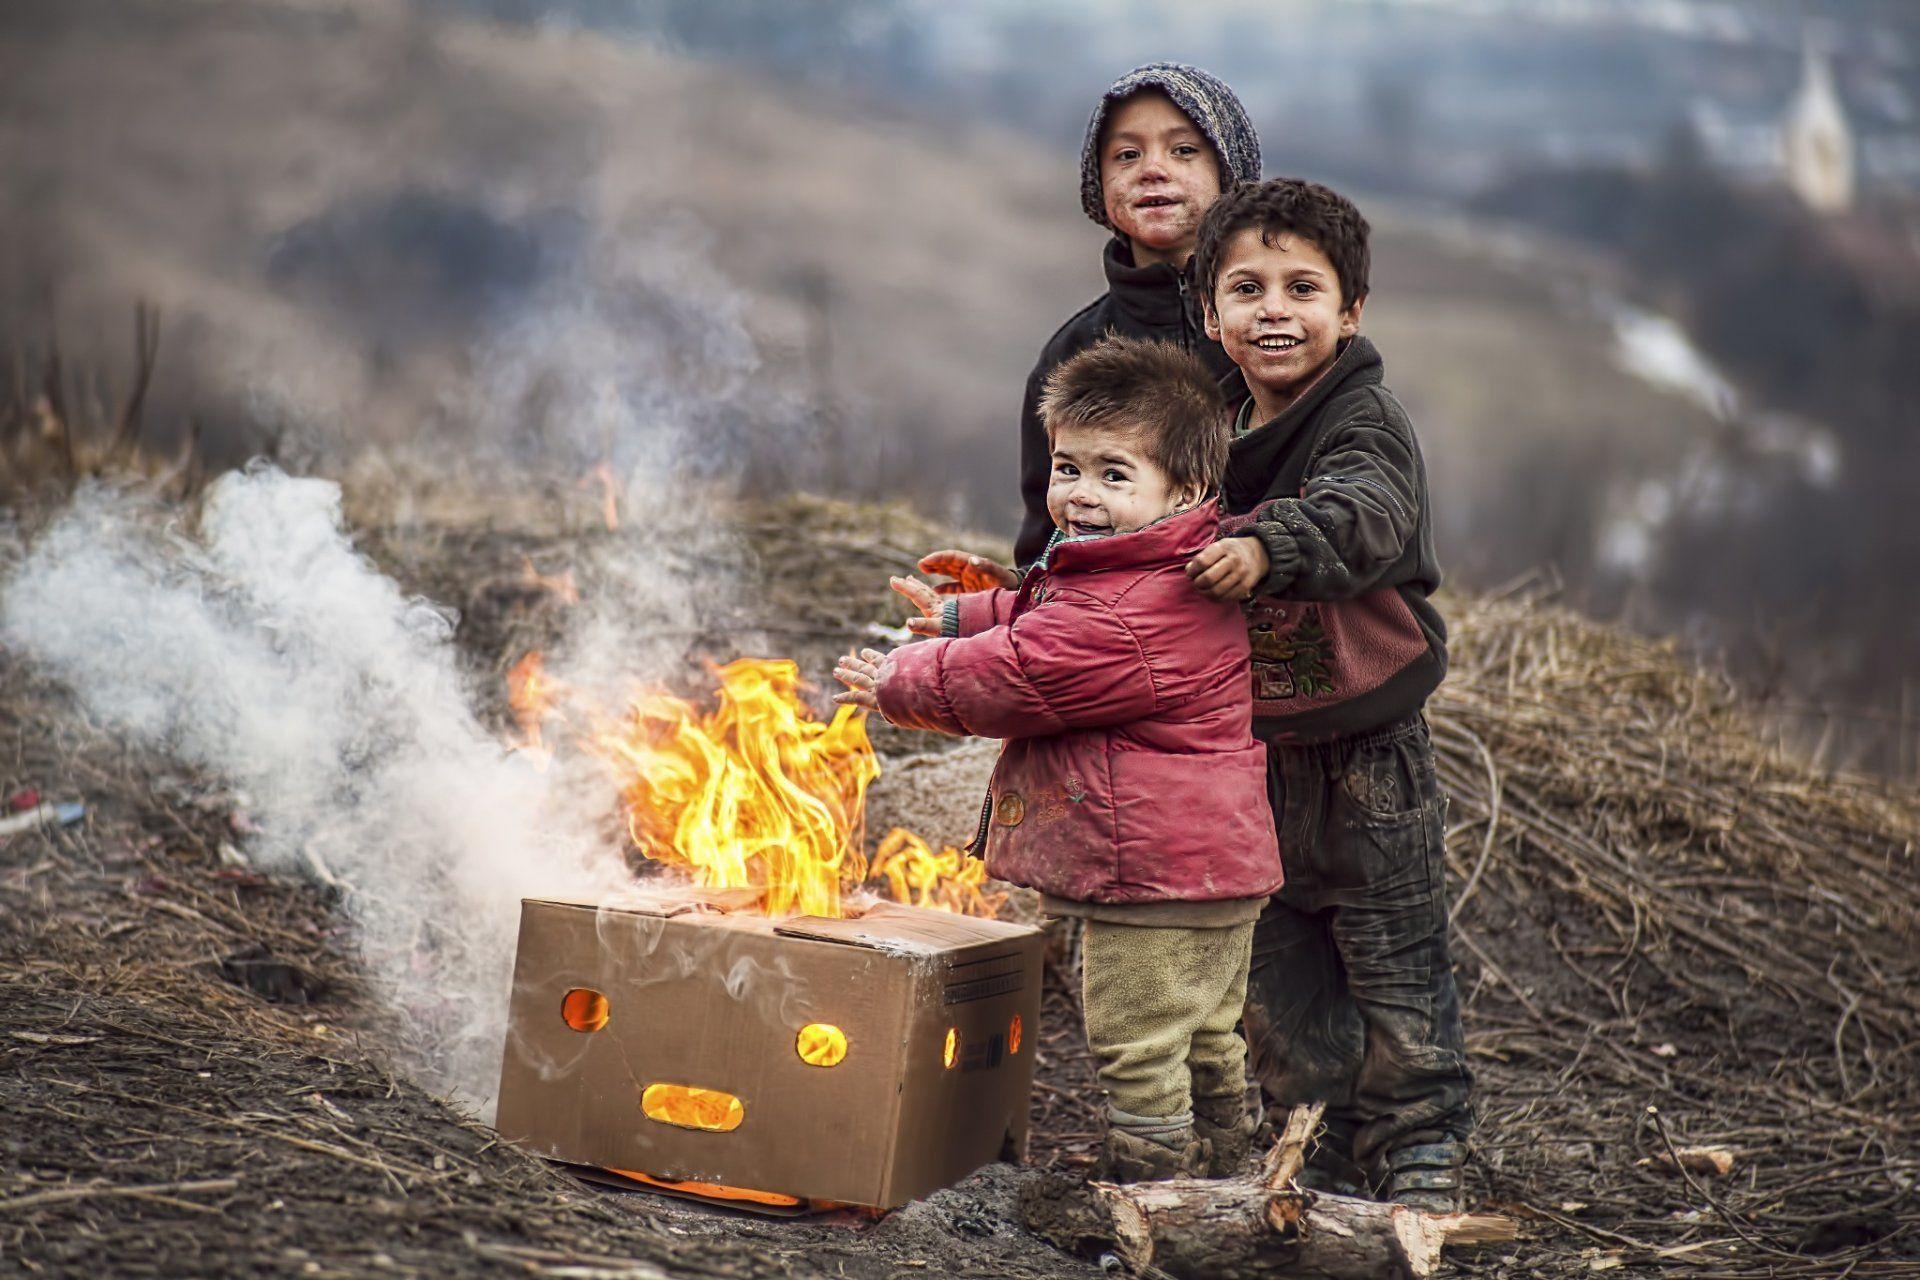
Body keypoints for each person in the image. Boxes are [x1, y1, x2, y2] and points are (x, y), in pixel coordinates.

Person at [833, 337, 1282, 1183]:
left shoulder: (1137, 608)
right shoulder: (1150, 570)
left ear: (1185, 489)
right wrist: (967, 616)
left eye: (1115, 475)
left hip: (1152, 872)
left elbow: (1028, 672)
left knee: (1137, 1042)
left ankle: (1153, 1192)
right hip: (1210, 862)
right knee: (1206, 1030)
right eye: (1068, 467)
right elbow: (1044, 614)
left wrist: (900, 681)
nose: (1080, 495)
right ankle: (1229, 1173)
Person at [1183, 177, 1474, 1212]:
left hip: (1367, 749)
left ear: (1350, 311)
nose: (1274, 309)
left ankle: (1423, 1147)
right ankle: (1316, 1144)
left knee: (1395, 960)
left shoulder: (1364, 420)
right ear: (1209, 313)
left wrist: (1270, 543)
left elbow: (1366, 516)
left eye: (1303, 287)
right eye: (1247, 287)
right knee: (1281, 974)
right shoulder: (1204, 429)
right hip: (1251, 752)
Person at [918, 64, 1260, 597]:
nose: (1153, 170)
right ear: (1098, 187)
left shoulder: (1279, 327)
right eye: (1127, 155)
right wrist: (1017, 589)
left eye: (1184, 150)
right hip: (1128, 629)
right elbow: (1053, 532)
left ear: (1230, 172)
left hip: (1284, 621)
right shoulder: (1076, 351)